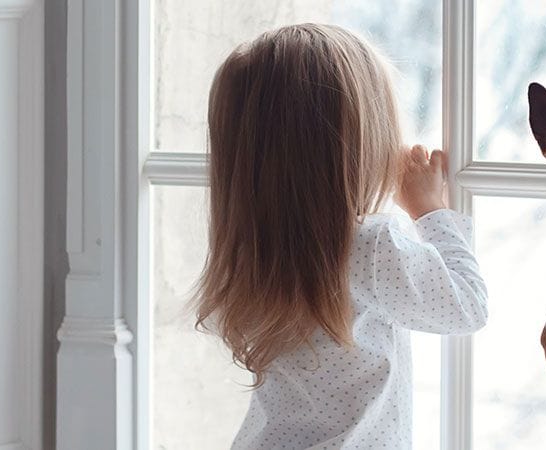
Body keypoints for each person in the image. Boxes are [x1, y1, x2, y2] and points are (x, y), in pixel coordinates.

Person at [194, 23, 488, 449]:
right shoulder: (369, 246)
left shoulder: (252, 242)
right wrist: (430, 209)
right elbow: (466, 306)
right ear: (360, 143)